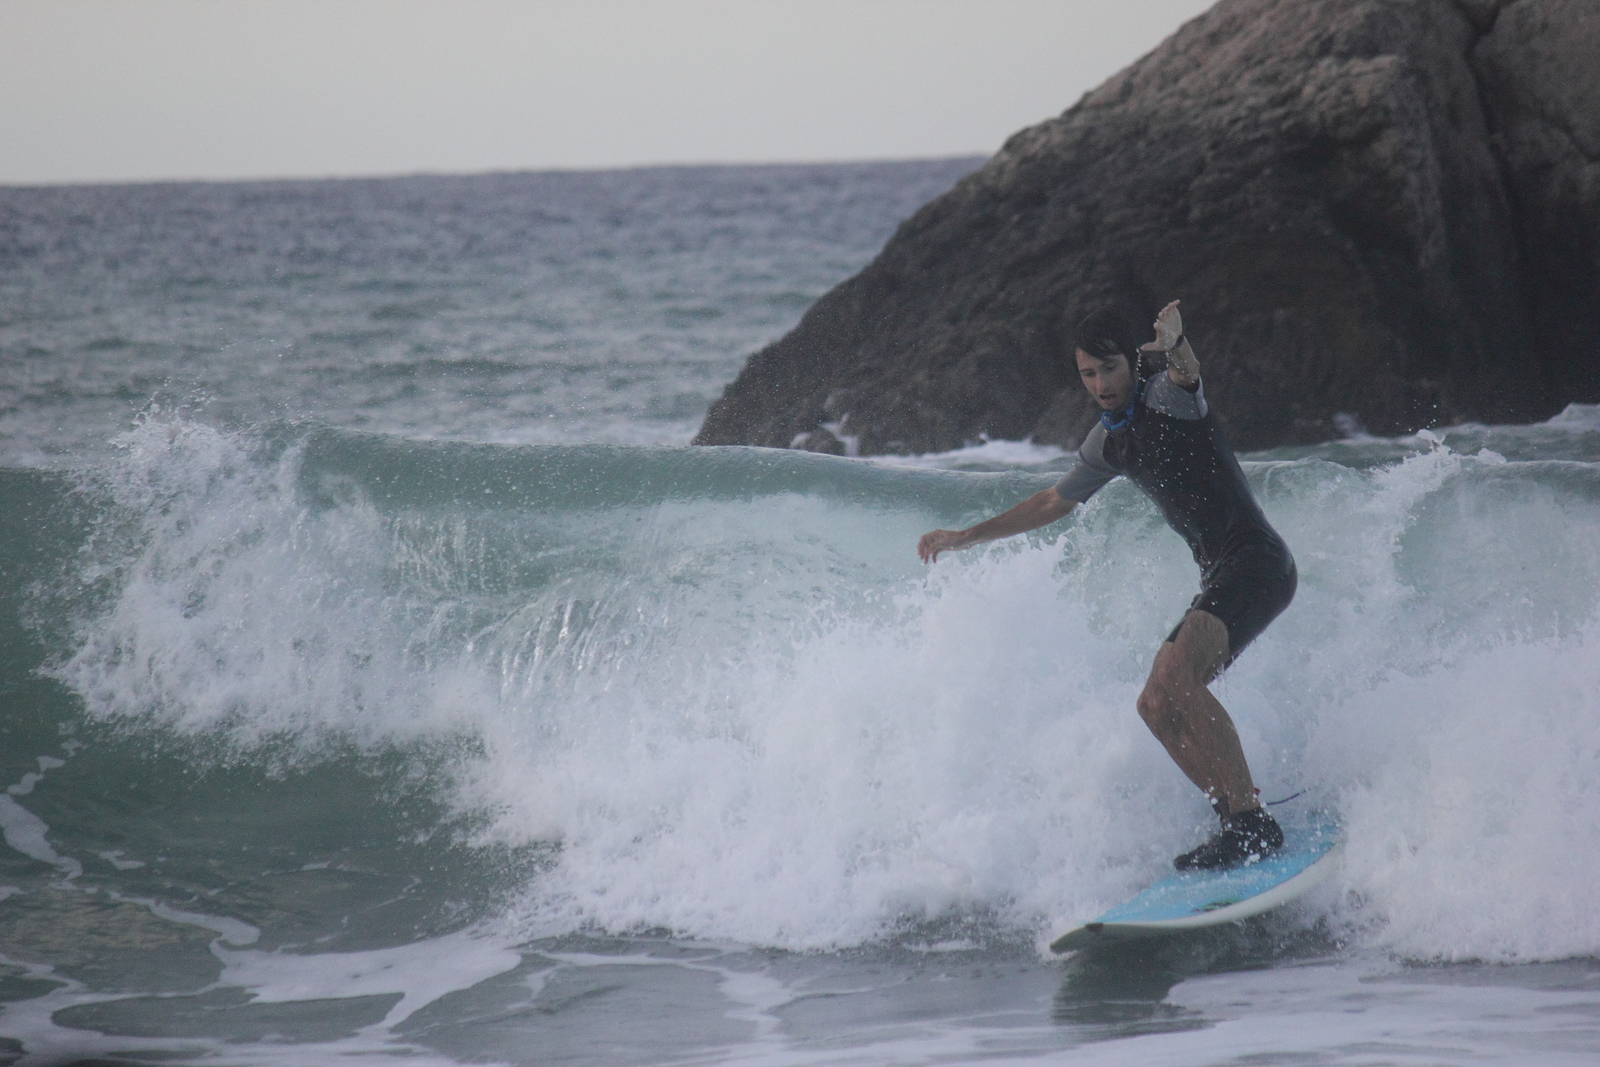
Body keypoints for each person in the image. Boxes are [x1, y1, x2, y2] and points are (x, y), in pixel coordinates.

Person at [917, 300, 1296, 870]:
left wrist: (1176, 343)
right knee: (1155, 704)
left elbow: (1188, 374)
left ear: (1132, 364)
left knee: (1177, 676)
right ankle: (1234, 820)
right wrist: (966, 535)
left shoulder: (1166, 400)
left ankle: (1250, 821)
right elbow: (1052, 501)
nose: (1101, 384)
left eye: (1110, 369)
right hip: (1222, 573)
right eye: (1088, 374)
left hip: (1258, 563)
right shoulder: (1107, 443)